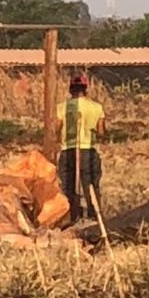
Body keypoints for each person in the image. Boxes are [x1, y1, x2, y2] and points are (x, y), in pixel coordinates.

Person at [56, 73, 106, 222]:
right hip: (88, 151)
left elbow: (56, 129)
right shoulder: (97, 107)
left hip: (68, 150)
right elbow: (101, 132)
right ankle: (94, 215)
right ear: (86, 90)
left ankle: (72, 216)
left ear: (70, 90)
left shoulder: (62, 107)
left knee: (68, 186)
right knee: (90, 184)